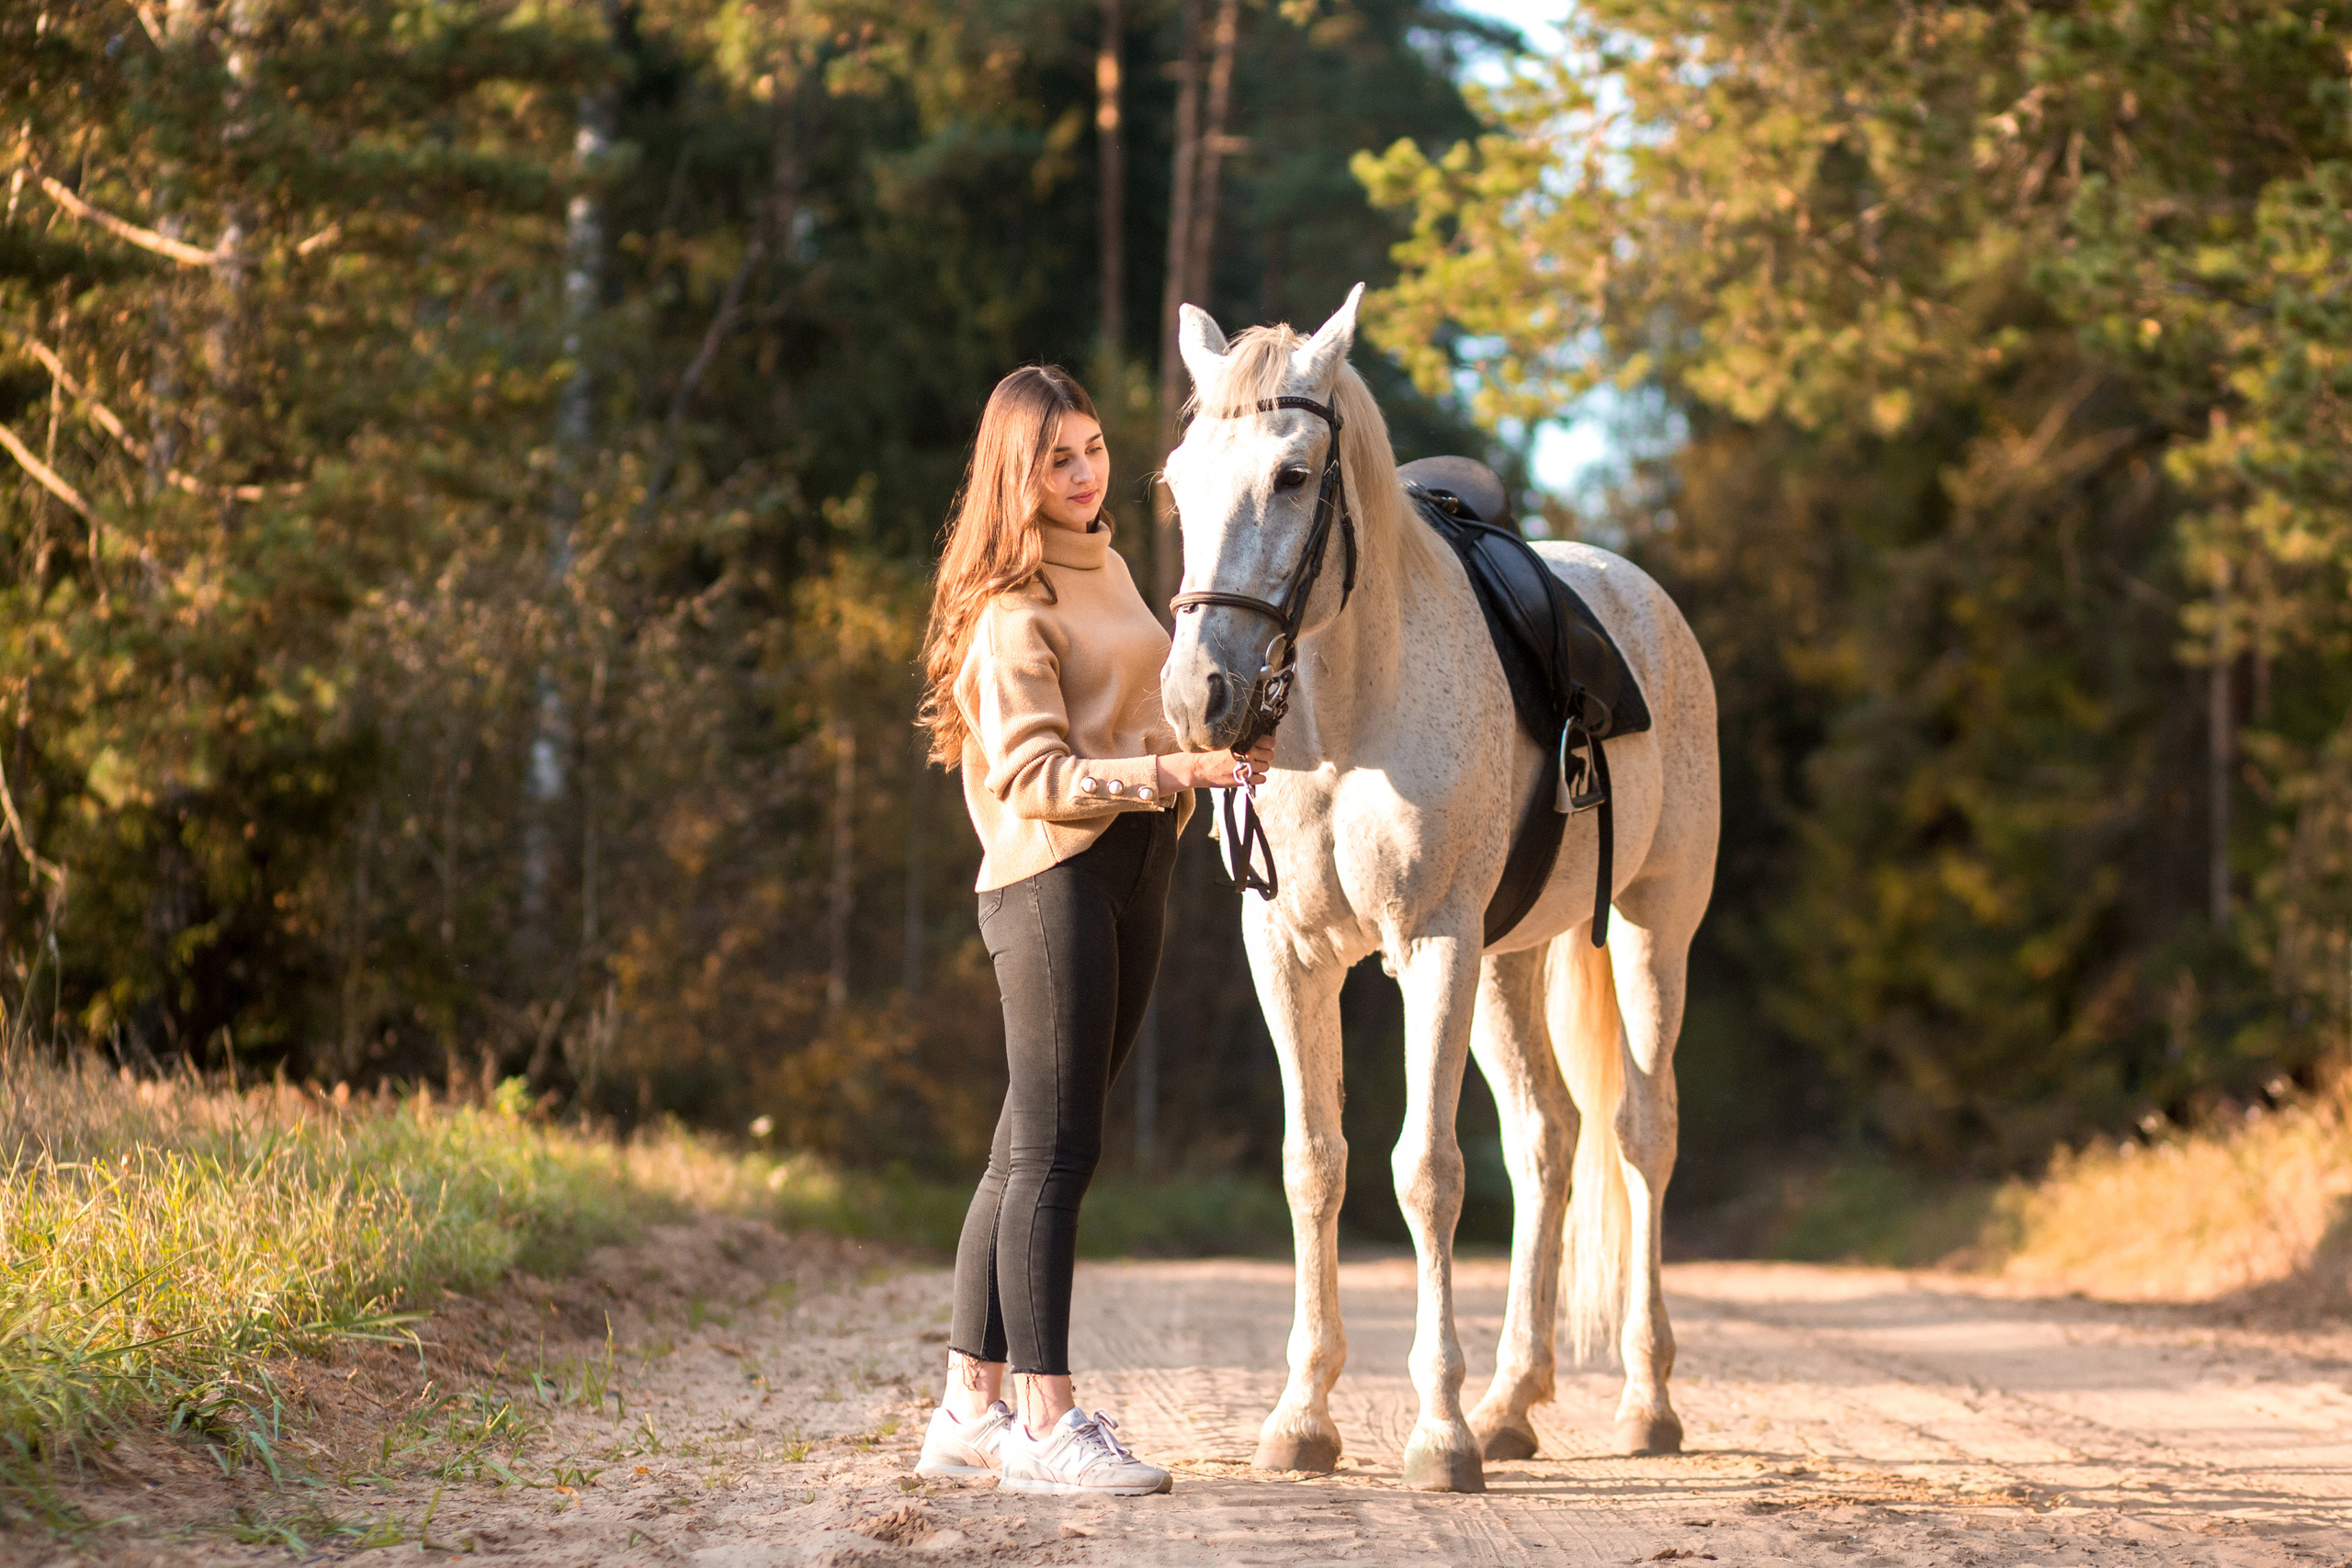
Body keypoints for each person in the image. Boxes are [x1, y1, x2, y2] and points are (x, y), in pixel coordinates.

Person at [909, 366, 1272, 1496]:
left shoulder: (1108, 565)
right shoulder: (1008, 612)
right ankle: (1045, 1424)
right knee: (1058, 1156)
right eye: (1057, 458)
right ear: (1014, 474)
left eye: (1096, 448)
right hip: (1051, 879)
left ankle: (968, 1412)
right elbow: (1035, 779)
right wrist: (1176, 769)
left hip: (1136, 866)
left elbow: (1144, 700)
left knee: (1025, 1147)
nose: (1083, 473)